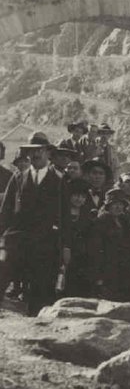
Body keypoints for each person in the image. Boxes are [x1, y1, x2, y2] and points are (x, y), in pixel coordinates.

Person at [0, 134, 64, 316]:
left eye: (40, 151)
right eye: (31, 151)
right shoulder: (19, 178)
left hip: (45, 243)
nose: (35, 154)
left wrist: (64, 246)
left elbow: (64, 216)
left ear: (48, 153)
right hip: (18, 240)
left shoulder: (59, 181)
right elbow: (6, 212)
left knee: (39, 293)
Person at [87, 188, 130, 300]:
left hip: (120, 270)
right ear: (108, 206)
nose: (118, 207)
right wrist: (99, 277)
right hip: (105, 271)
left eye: (121, 204)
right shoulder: (100, 222)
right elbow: (96, 251)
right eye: (114, 204)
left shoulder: (124, 221)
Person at [61, 179, 94, 297]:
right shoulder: (61, 213)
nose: (79, 199)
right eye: (76, 195)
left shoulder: (87, 215)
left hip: (79, 255)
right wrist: (65, 247)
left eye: (82, 196)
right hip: (61, 252)